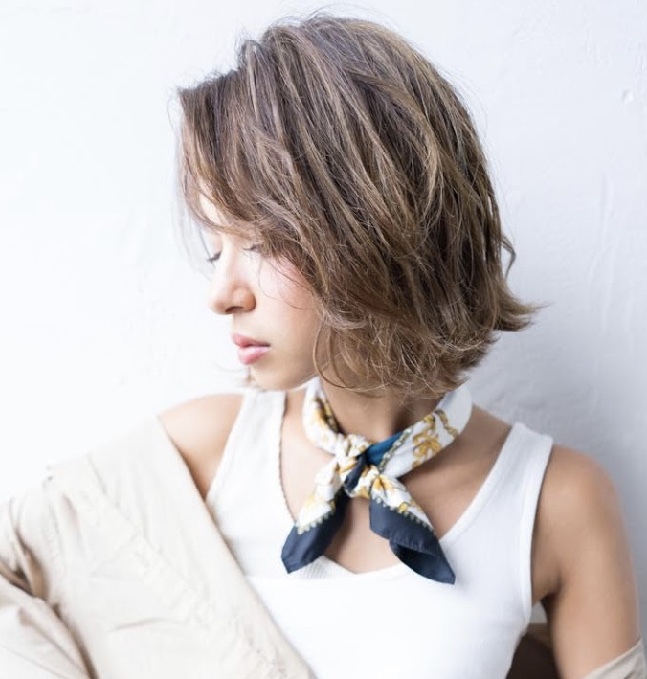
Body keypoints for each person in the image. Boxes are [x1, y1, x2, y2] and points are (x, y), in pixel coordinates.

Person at [0, 13, 644, 679]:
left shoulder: (556, 499)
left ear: (372, 224)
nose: (222, 294)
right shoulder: (200, 454)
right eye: (215, 249)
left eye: (260, 243)